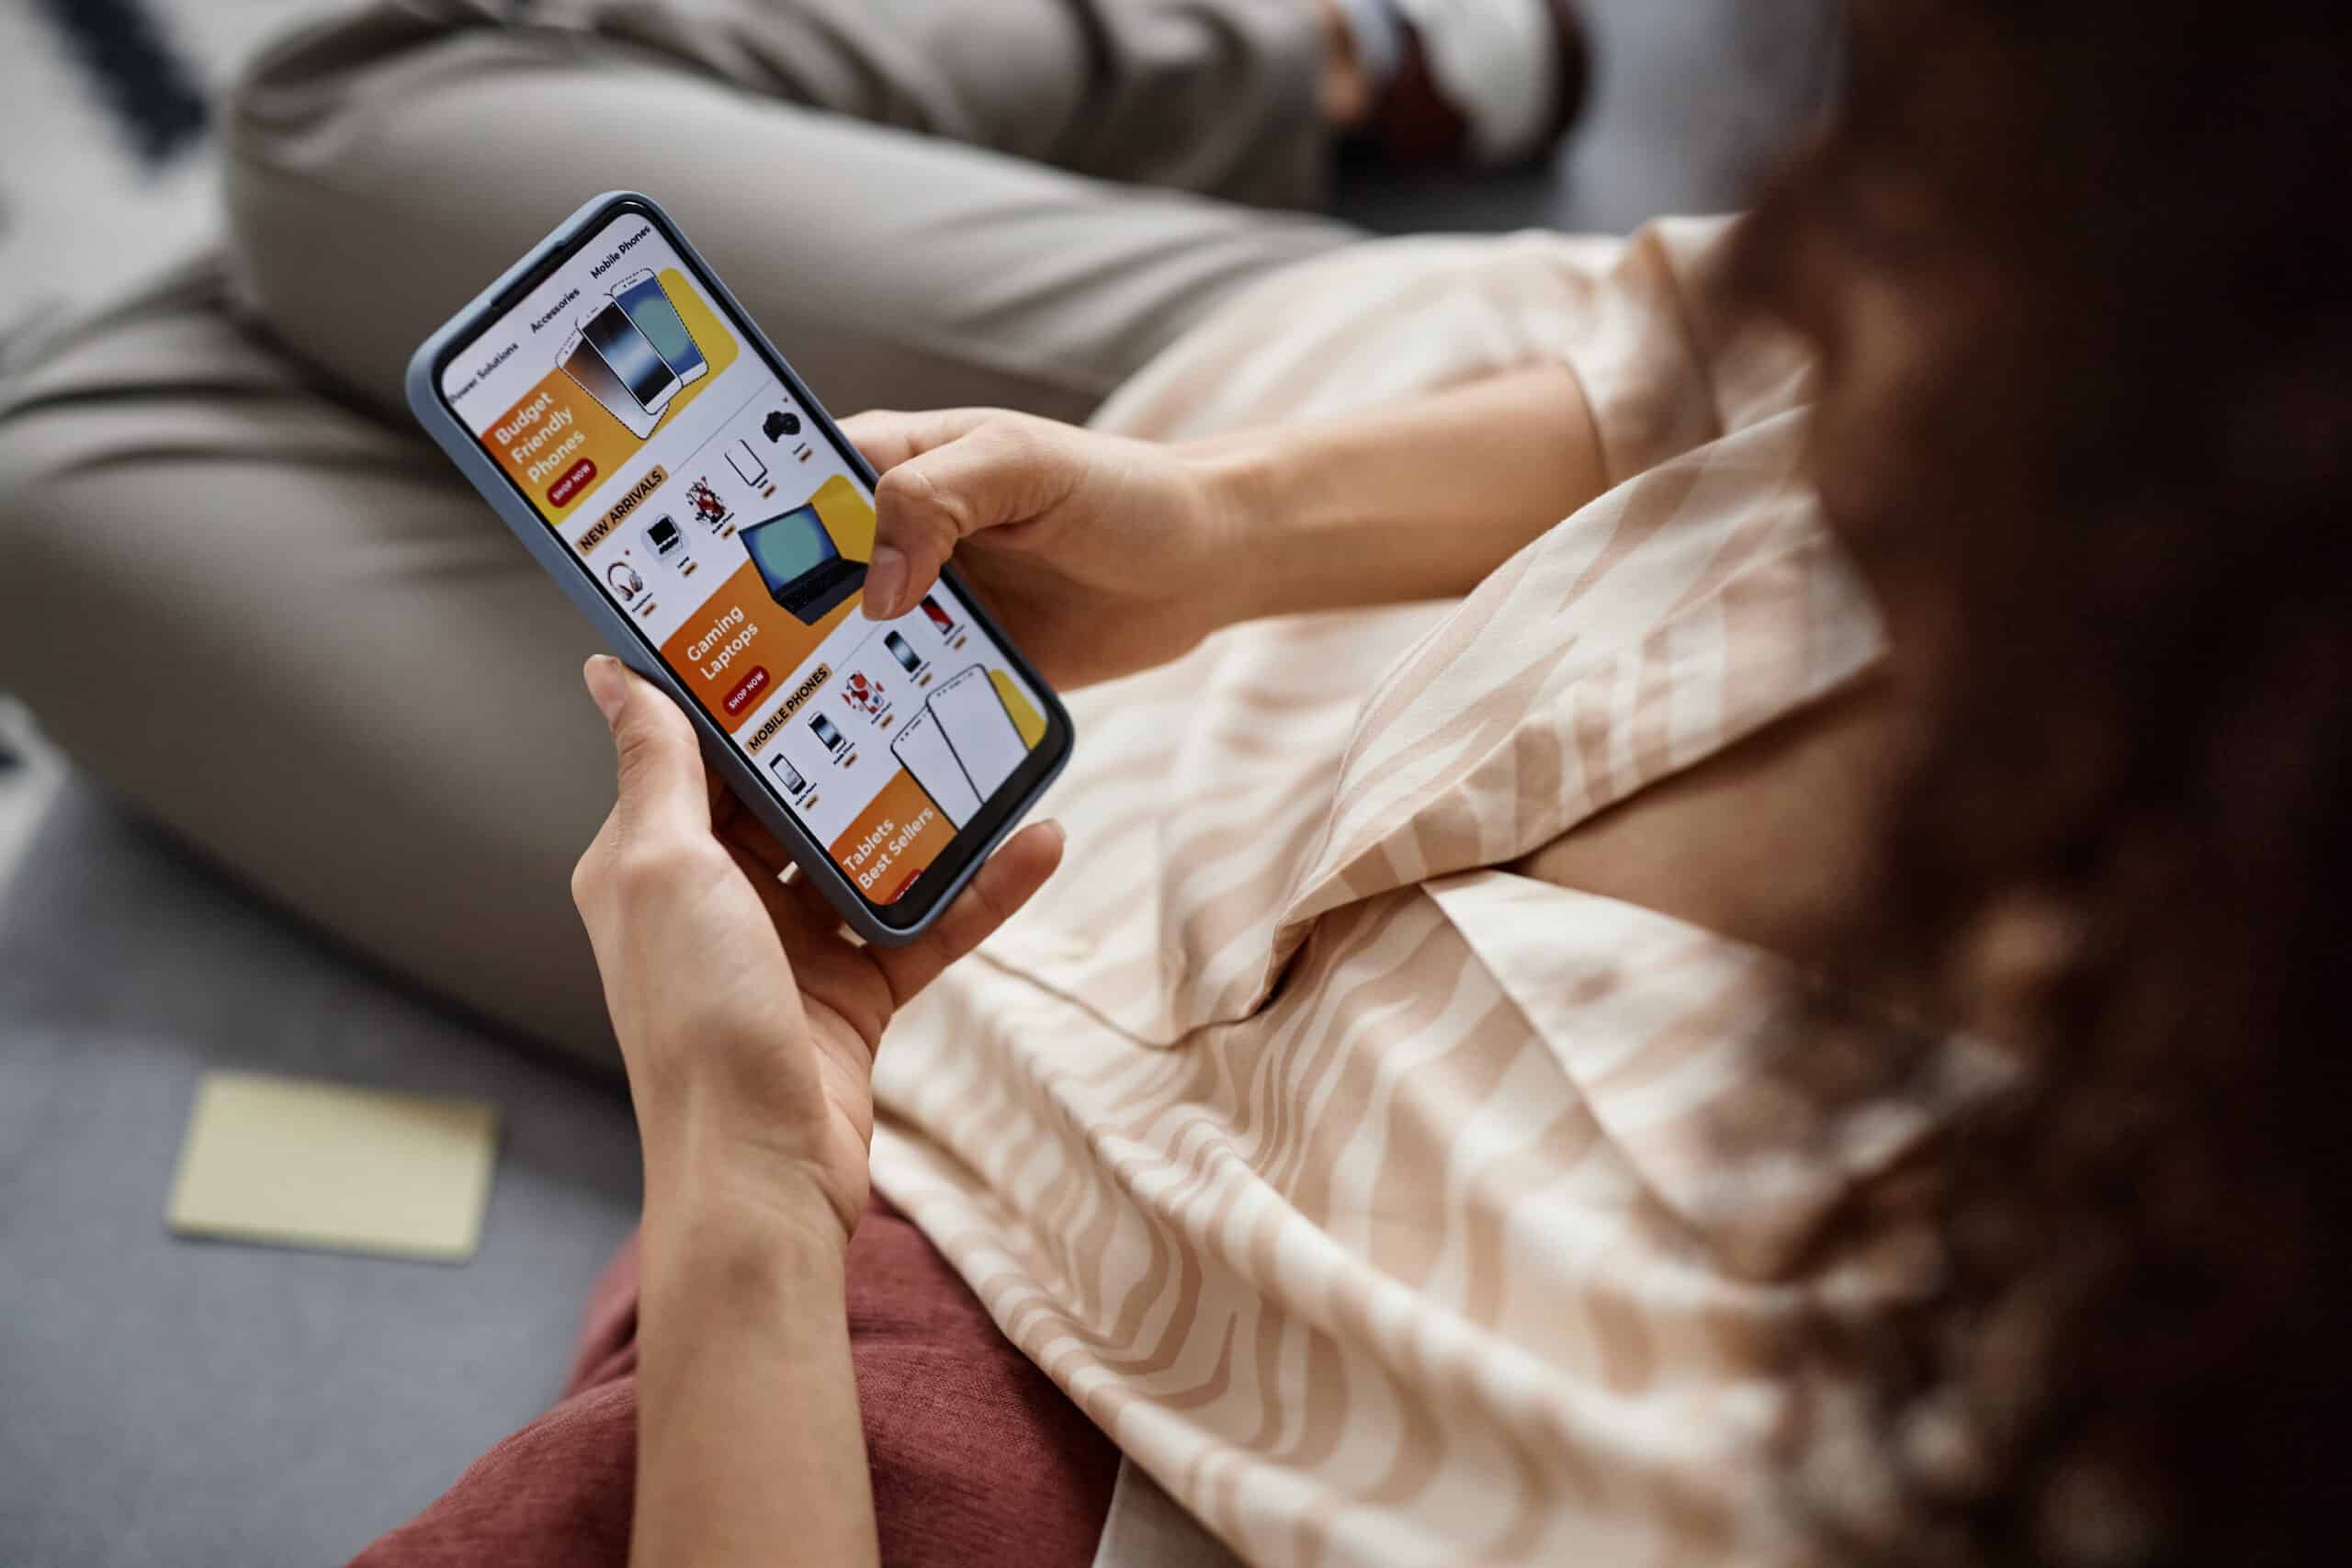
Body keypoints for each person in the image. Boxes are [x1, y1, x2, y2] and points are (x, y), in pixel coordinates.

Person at [1, 5, 2342, 1568]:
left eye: (1917, 223)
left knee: (66, 465)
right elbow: (1682, 363)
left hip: (945, 1011)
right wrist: (1211, 529)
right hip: (1255, 459)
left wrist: (744, 1186)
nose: (1819, 254)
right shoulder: (2119, 295)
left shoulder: (2050, 1394)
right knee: (348, 117)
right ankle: (1343, 47)